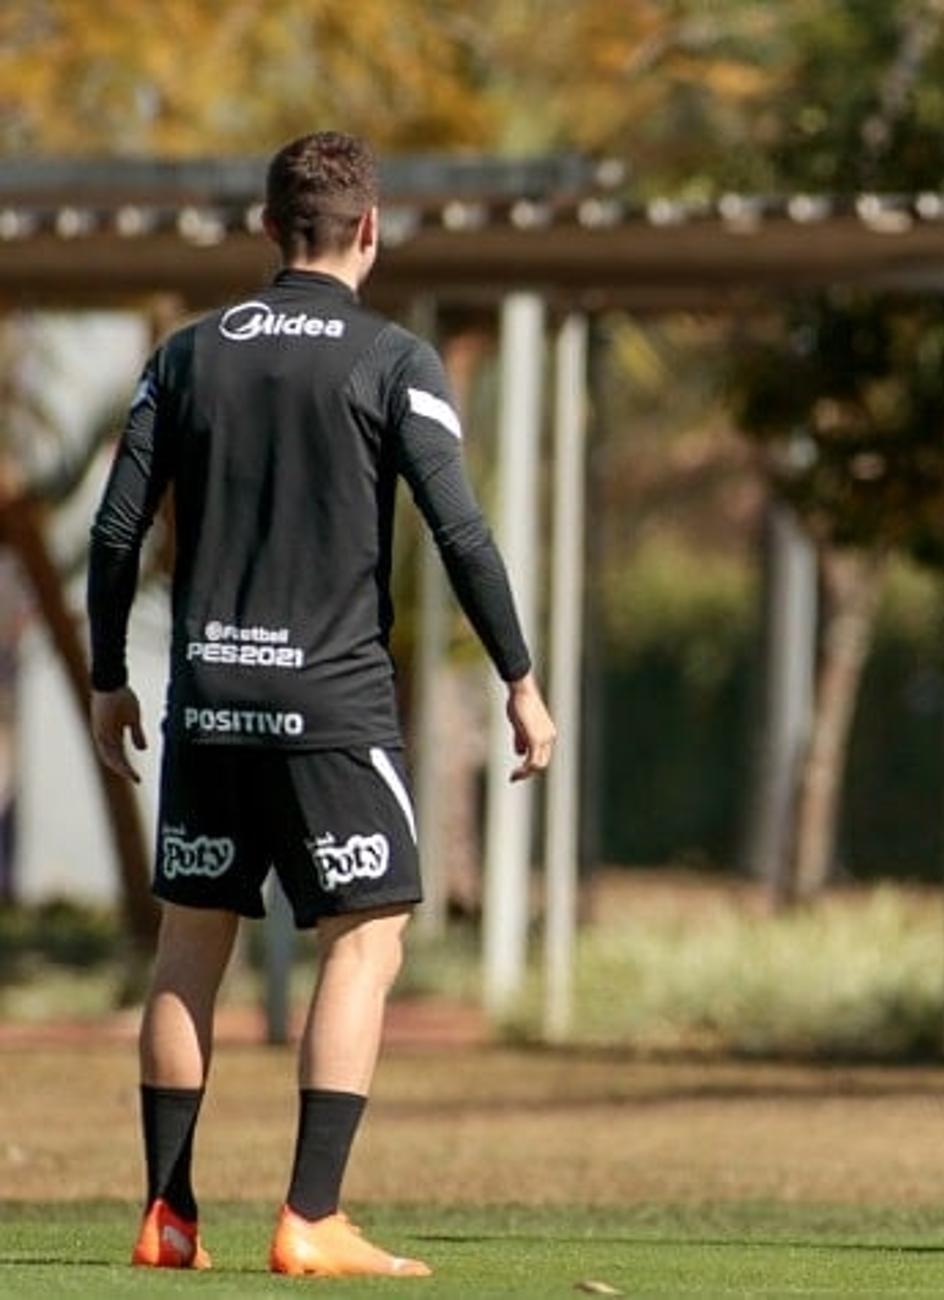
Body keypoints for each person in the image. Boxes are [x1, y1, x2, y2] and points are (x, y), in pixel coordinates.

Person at [88, 131, 556, 1278]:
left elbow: (113, 532)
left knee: (190, 949)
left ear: (266, 232)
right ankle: (311, 1215)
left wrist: (111, 679)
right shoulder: (393, 360)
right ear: (369, 231)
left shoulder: (187, 356)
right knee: (367, 937)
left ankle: (167, 1212)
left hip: (207, 701)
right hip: (331, 705)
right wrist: (519, 676)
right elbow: (460, 531)